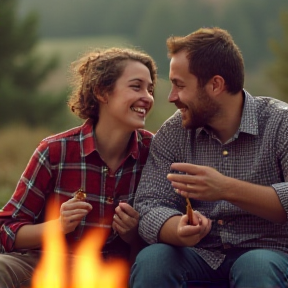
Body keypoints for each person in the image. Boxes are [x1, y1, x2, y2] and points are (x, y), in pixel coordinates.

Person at [130, 27, 288, 288]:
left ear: (216, 84)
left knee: (256, 267)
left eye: (180, 85)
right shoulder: (173, 133)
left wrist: (226, 188)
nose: (171, 97)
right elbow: (148, 204)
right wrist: (178, 228)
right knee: (154, 259)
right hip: (198, 254)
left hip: (269, 254)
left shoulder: (280, 123)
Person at [0, 47, 157, 287]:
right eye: (136, 86)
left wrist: (135, 234)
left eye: (150, 88)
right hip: (48, 264)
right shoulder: (55, 151)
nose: (147, 97)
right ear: (102, 92)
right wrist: (58, 225)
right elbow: (6, 229)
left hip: (115, 271)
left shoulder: (153, 151)